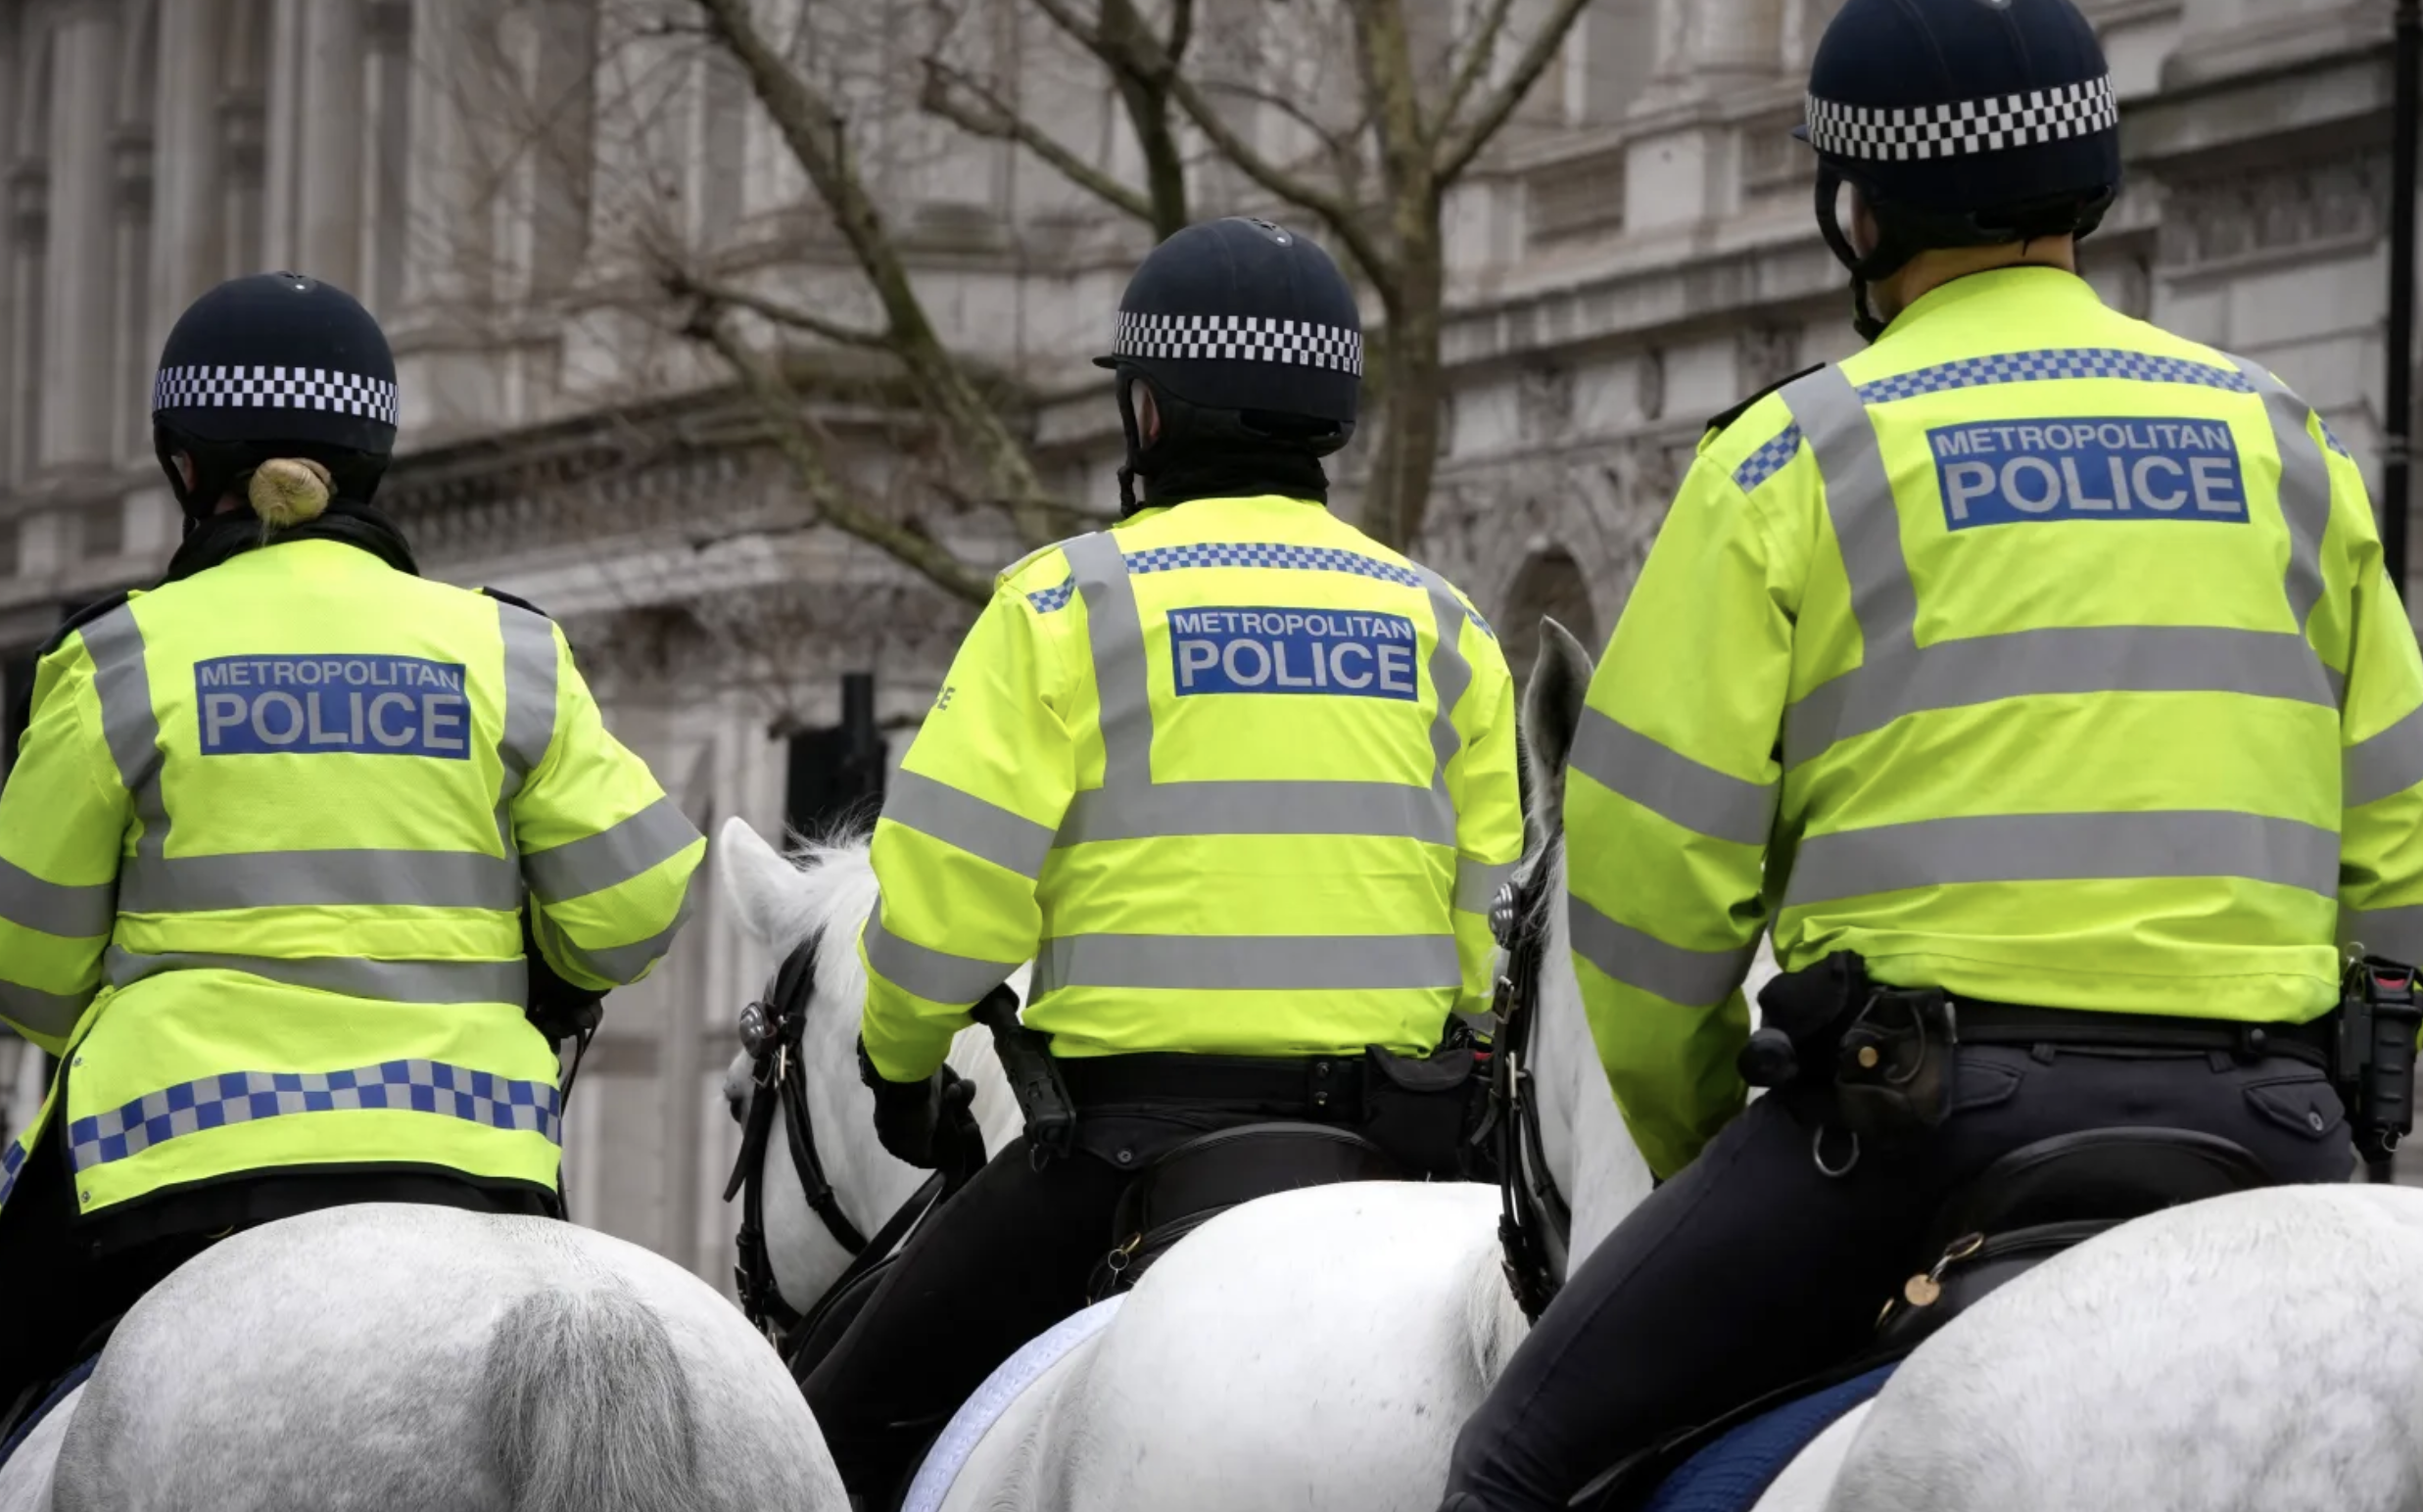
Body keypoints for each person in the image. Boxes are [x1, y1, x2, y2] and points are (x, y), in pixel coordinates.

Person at [1437, 0, 2423, 1506]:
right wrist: (2355, 1105)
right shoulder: (2285, 444)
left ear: (1855, 212)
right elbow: (2401, 848)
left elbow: (1641, 894)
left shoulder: (1788, 457)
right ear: (2091, 180)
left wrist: (1701, 1137)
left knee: (1510, 1468)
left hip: (1910, 1128)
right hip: (2262, 1119)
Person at [803, 214, 1527, 1502]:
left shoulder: (1060, 604)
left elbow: (943, 914)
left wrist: (900, 1065)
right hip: (1406, 1144)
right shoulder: (1443, 622)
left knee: (820, 1447)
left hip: (1125, 1153)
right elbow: (1488, 928)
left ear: (1147, 410)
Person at [0, 272, 704, 1427]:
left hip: (165, 1161)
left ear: (184, 465)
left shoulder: (118, 657)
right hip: (473, 1149)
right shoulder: (507, 648)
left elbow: (27, 964)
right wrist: (540, 975)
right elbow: (634, 903)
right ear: (373, 456)